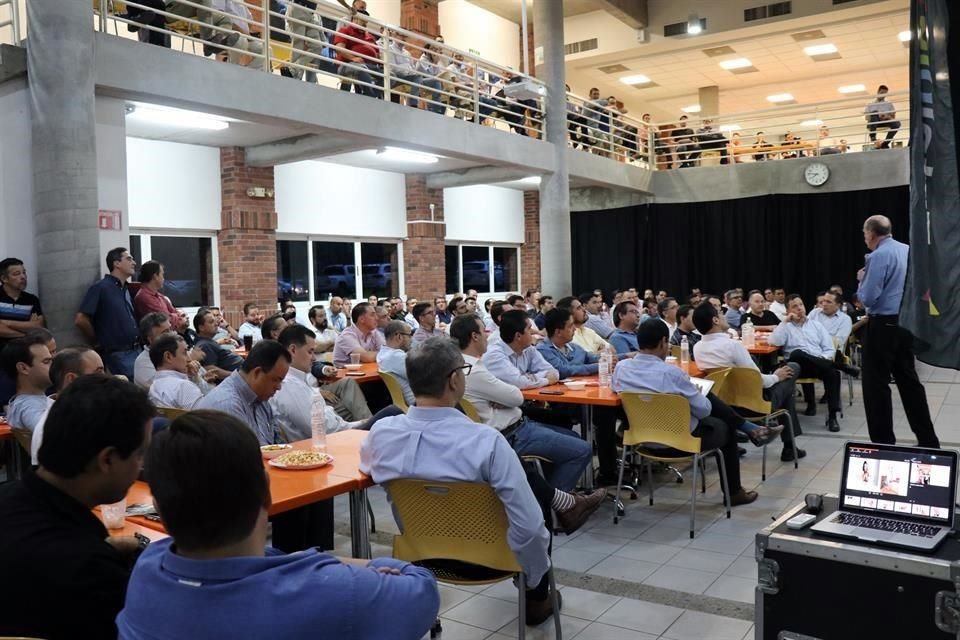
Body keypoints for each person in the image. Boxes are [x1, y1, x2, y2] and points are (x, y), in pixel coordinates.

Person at [117, 410, 439, 640]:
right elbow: (422, 587)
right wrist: (360, 564)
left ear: (156, 504)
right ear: (266, 489)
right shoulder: (335, 592)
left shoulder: (148, 569)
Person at [360, 337, 559, 625]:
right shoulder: (486, 441)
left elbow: (368, 465)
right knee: (535, 511)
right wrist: (534, 574)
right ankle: (537, 602)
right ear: (455, 379)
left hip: (421, 556)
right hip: (492, 560)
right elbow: (529, 528)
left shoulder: (382, 433)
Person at [0, 375, 155, 639]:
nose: (141, 466)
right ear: (107, 459)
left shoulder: (9, 499)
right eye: (140, 454)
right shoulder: (92, 572)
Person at [451, 314, 602, 505]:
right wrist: (525, 385)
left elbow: (549, 373)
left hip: (512, 424)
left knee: (570, 435)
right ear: (474, 336)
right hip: (511, 433)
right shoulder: (476, 369)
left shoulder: (460, 365)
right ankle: (553, 507)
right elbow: (517, 395)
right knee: (582, 449)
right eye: (484, 332)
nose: (488, 336)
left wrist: (513, 390)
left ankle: (547, 494)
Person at [612, 321, 760, 506]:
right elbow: (705, 410)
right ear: (664, 342)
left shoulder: (621, 368)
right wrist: (694, 394)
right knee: (726, 428)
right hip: (680, 441)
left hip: (640, 439)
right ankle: (734, 493)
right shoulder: (672, 373)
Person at [857, 215, 939, 448]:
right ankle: (928, 440)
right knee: (910, 382)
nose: (865, 240)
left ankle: (883, 443)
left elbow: (868, 298)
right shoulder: (907, 250)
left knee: (876, 387)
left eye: (865, 236)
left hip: (882, 325)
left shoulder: (878, 256)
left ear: (871, 233)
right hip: (906, 324)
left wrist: (862, 279)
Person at [692, 302, 805, 461]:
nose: (724, 317)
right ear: (716, 320)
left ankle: (789, 446)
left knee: (787, 391)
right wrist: (776, 376)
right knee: (792, 368)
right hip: (754, 403)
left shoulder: (697, 347)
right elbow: (759, 381)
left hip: (725, 403)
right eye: (721, 314)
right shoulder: (732, 346)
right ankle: (789, 446)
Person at [768, 294, 853, 432]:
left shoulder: (816, 325)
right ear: (788, 310)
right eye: (794, 306)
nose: (799, 308)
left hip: (817, 365)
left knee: (833, 374)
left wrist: (821, 359)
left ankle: (832, 417)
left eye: (800, 304)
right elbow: (774, 342)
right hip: (796, 366)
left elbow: (829, 348)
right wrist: (785, 322)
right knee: (797, 353)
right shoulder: (786, 326)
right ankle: (841, 366)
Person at [270, 325, 364, 441]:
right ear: (293, 350)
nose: (314, 358)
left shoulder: (296, 378)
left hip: (330, 431)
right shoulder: (290, 385)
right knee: (385, 416)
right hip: (323, 443)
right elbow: (321, 429)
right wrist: (361, 425)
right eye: (310, 352)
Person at [196, 340, 290, 445]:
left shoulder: (260, 397)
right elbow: (243, 459)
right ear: (257, 373)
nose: (279, 387)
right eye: (276, 380)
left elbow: (278, 444)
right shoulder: (227, 406)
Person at [29, 347, 106, 465]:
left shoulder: (89, 411)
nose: (105, 379)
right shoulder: (54, 428)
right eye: (98, 372)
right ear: (71, 379)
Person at [75, 247, 141, 379]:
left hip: (137, 350)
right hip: (119, 353)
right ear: (116, 263)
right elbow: (80, 319)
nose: (133, 262)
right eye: (129, 259)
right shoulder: (101, 287)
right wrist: (97, 340)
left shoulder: (125, 289)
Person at [1, 333, 53, 432]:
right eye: (46, 362)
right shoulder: (28, 407)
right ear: (23, 368)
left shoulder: (27, 403)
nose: (53, 365)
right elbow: (49, 433)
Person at [148, 333, 204, 411]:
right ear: (168, 357)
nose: (189, 359)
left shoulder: (153, 387)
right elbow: (205, 418)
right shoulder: (183, 386)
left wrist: (193, 378)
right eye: (184, 353)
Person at [0, 257, 44, 347]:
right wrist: (26, 334)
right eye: (17, 274)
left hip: (25, 352)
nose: (23, 277)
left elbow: (38, 326)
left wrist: (5, 322)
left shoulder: (32, 300)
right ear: (4, 279)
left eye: (24, 272)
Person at [132, 260, 185, 331]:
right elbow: (166, 322)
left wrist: (174, 316)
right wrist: (176, 316)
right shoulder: (144, 298)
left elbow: (174, 312)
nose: (163, 278)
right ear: (155, 276)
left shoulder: (159, 296)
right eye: (162, 275)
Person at [193, 307, 243, 377]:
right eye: (211, 322)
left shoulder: (208, 341)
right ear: (201, 327)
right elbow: (211, 369)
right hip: (237, 377)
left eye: (215, 321)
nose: (216, 324)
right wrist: (236, 376)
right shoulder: (204, 345)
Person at [376, 320, 414, 406]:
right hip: (420, 402)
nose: (411, 339)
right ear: (399, 336)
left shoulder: (382, 353)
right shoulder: (396, 356)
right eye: (409, 335)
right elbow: (424, 377)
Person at [864, 85, 901, 149]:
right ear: (878, 92)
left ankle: (885, 143)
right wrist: (876, 115)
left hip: (885, 121)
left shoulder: (889, 103)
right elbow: (866, 118)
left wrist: (887, 116)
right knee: (874, 113)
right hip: (874, 122)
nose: (883, 95)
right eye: (881, 93)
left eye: (885, 93)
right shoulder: (870, 104)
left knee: (897, 123)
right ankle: (873, 136)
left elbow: (893, 116)